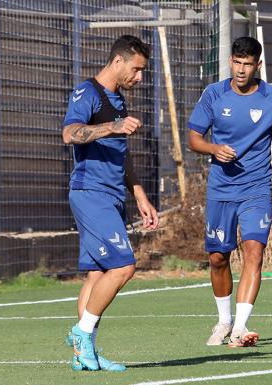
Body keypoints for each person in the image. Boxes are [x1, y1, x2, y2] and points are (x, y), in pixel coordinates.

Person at [187, 36, 272, 347]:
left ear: (258, 65)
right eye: (237, 63)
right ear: (231, 62)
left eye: (248, 64)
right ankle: (224, 321)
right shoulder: (214, 94)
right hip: (221, 189)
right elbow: (194, 139)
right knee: (217, 257)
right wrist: (214, 148)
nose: (241, 70)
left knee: (254, 251)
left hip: (257, 188)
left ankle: (240, 328)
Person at [61, 35, 159, 371]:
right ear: (118, 62)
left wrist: (140, 195)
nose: (140, 78)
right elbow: (70, 133)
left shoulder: (118, 100)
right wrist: (111, 126)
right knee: (123, 266)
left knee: (97, 274)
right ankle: (81, 334)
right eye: (137, 69)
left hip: (112, 194)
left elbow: (121, 154)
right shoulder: (87, 92)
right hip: (91, 193)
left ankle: (84, 353)